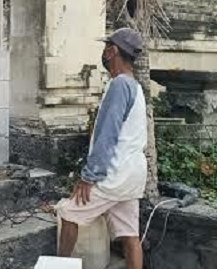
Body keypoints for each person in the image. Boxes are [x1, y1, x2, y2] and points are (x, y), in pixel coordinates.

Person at [56, 28, 148, 269]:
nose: (104, 52)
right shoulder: (135, 87)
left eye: (107, 47)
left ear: (113, 51)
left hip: (113, 174)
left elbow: (107, 135)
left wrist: (89, 176)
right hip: (132, 174)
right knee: (130, 236)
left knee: (68, 213)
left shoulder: (119, 85)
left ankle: (58, 266)